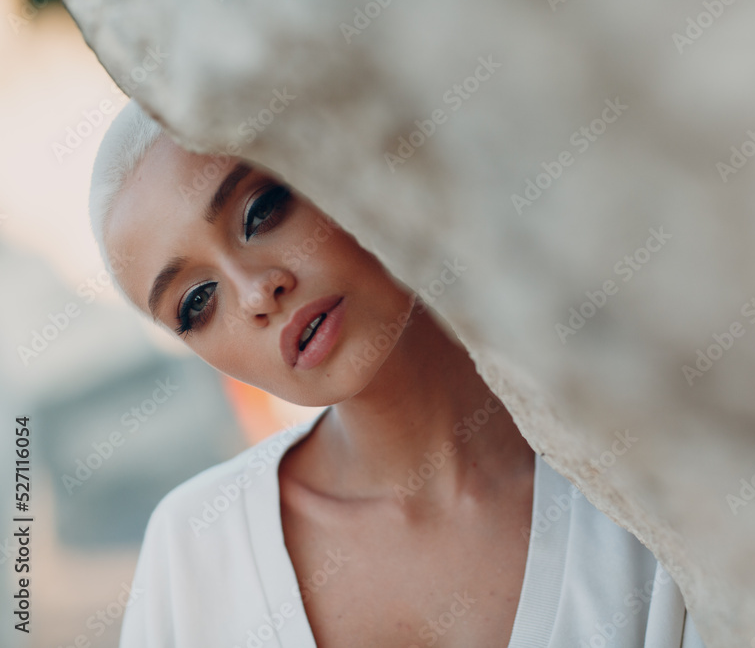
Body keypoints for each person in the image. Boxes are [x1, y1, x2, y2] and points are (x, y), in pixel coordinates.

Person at [91, 100, 704, 647]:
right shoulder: (195, 548)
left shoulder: (645, 481)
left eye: (262, 209)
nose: (257, 291)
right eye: (197, 301)